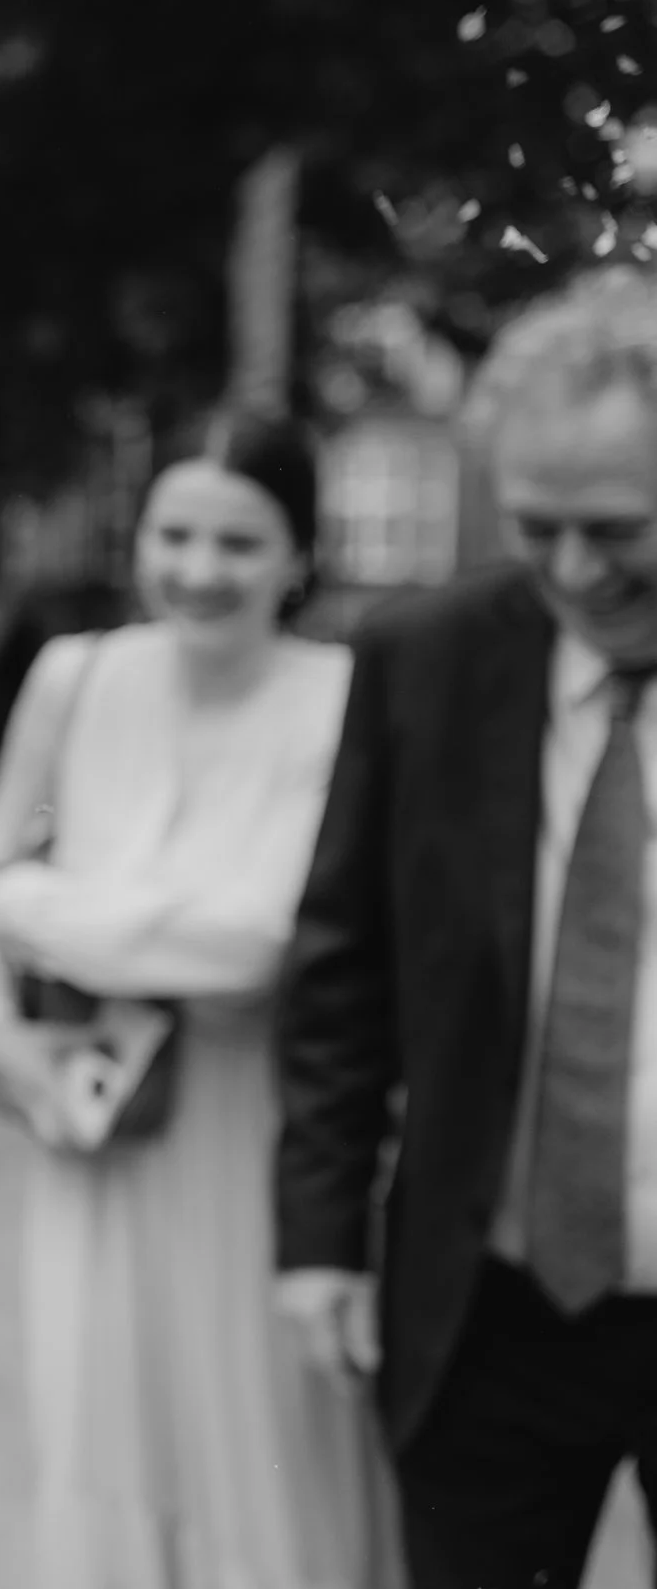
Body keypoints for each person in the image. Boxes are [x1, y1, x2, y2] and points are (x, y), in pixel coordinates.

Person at [0, 415, 399, 1588]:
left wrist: (39, 907)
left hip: (268, 1134)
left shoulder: (345, 698)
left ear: (299, 556)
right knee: (105, 1431)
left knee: (271, 1441)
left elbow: (257, 945)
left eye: (238, 542)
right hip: (98, 1127)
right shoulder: (76, 678)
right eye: (172, 534)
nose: (197, 570)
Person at [276, 267, 657, 1588]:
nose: (571, 569)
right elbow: (342, 965)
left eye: (615, 528)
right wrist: (320, 1239)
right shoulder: (424, 655)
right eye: (538, 523)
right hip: (481, 1305)